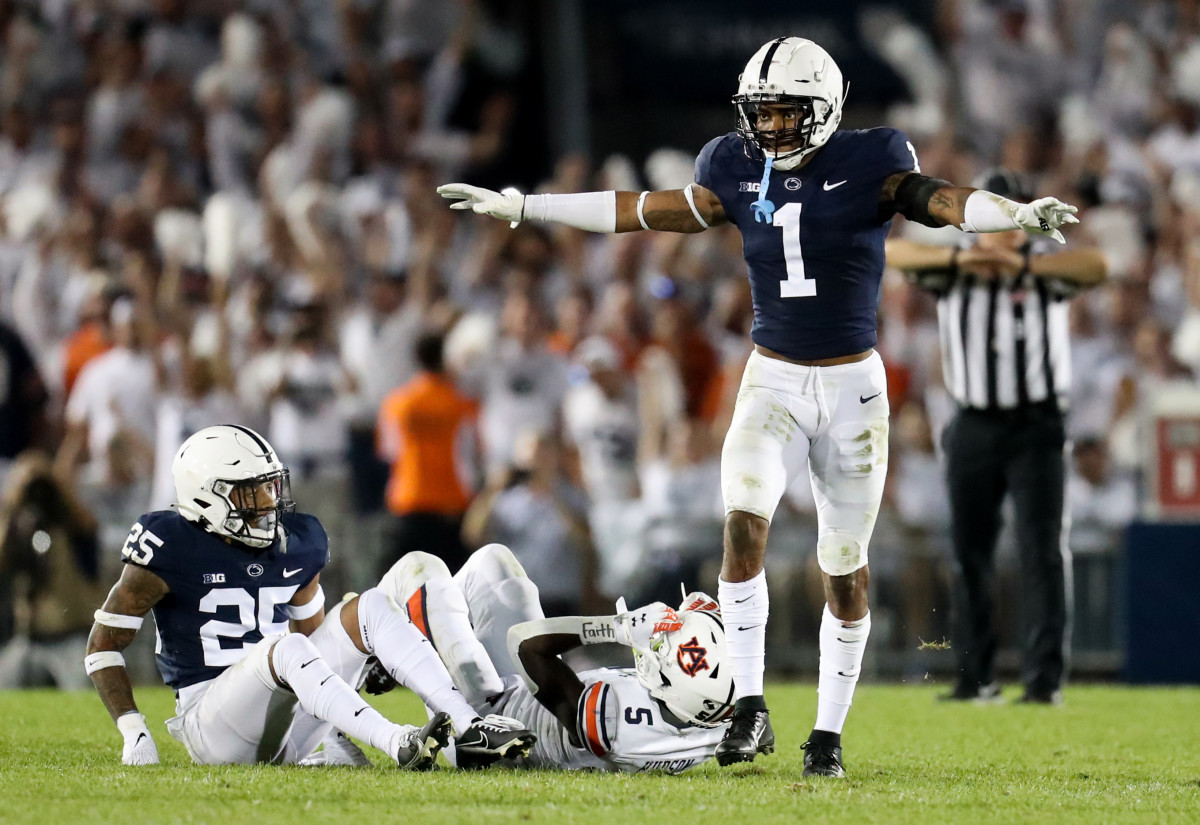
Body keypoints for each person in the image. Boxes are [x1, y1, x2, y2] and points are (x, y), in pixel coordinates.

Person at [437, 36, 1081, 775]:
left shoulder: (873, 158)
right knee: (742, 528)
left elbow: (940, 199)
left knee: (844, 565)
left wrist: (1013, 214)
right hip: (772, 377)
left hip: (851, 390)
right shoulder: (733, 165)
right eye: (762, 114)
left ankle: (828, 736)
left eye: (786, 113)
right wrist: (528, 204)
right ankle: (749, 707)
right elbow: (642, 211)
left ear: (827, 109)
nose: (772, 129)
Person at [84, 424, 535, 768]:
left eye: (270, 486)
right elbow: (102, 645)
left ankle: (467, 725)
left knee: (372, 606)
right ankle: (399, 741)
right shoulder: (170, 544)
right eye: (249, 492)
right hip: (212, 725)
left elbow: (317, 641)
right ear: (206, 499)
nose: (267, 502)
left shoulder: (298, 542)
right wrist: (133, 730)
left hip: (288, 709)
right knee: (288, 647)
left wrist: (363, 663)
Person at [886, 168, 1107, 704]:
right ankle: (974, 676)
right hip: (974, 423)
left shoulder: (1042, 271)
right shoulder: (954, 270)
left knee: (1042, 551)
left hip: (1036, 425)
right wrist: (963, 257)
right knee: (969, 553)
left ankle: (1044, 681)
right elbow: (894, 256)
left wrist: (1018, 262)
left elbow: (1097, 265)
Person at [352, 543, 732, 773]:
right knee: (494, 562)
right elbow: (739, 707)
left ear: (671, 684)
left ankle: (360, 656)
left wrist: (617, 627)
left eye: (664, 647)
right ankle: (400, 646)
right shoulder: (712, 715)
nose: (658, 642)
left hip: (484, 730)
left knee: (421, 568)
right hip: (517, 697)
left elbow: (526, 644)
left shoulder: (614, 718)